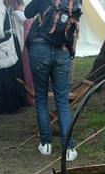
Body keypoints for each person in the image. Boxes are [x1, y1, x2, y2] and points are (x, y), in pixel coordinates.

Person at [24, 0, 80, 161]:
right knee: (62, 100)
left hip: (40, 48)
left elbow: (28, 12)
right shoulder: (73, 1)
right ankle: (69, 147)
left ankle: (46, 144)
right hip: (62, 51)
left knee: (41, 97)